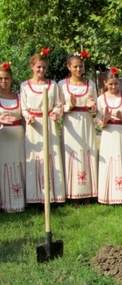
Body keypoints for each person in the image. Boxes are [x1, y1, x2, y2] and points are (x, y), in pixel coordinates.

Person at [21, 48, 65, 204]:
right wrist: (28, 117)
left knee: (51, 156)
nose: (41, 70)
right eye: (38, 67)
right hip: (33, 126)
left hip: (49, 124)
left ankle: (53, 196)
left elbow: (59, 104)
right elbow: (23, 107)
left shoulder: (52, 85)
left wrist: (56, 113)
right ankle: (36, 196)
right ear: (32, 66)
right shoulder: (25, 86)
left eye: (44, 67)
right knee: (36, 157)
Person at [58, 52, 98, 207]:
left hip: (86, 122)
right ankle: (73, 194)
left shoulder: (91, 84)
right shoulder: (62, 85)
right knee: (73, 155)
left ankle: (88, 193)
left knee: (88, 152)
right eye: (75, 66)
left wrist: (92, 107)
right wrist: (70, 105)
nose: (78, 69)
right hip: (71, 123)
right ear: (69, 67)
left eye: (80, 66)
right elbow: (59, 106)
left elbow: (96, 107)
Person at [96, 67, 122, 204]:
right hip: (108, 133)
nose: (113, 86)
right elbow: (97, 120)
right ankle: (108, 196)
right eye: (110, 84)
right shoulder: (101, 99)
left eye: (116, 83)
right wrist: (104, 119)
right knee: (109, 160)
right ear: (105, 83)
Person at [0, 62, 25, 212]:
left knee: (18, 167)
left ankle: (18, 201)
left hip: (17, 136)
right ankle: (4, 202)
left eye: (6, 78)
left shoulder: (19, 97)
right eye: (1, 78)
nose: (4, 82)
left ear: (11, 79)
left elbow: (24, 115)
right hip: (2, 137)